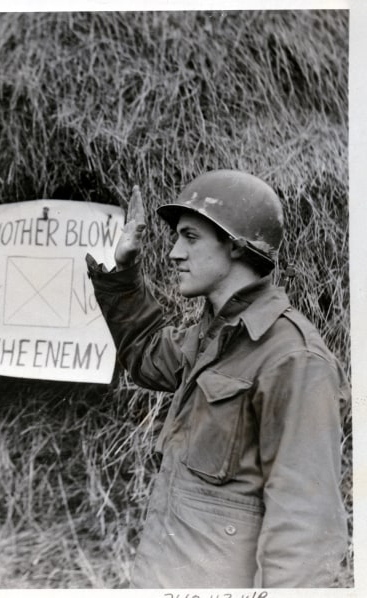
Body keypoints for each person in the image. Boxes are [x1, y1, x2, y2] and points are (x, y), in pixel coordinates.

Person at [85, 170, 348, 588]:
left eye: (190, 237)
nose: (173, 253)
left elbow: (305, 530)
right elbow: (146, 355)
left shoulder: (294, 358)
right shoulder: (214, 336)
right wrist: (123, 272)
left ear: (236, 246)